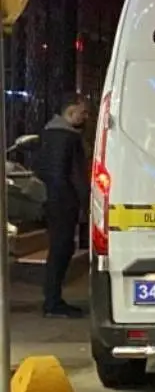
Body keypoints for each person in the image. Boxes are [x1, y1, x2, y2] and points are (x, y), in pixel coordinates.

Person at [33, 93, 90, 319]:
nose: (85, 117)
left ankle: (53, 299)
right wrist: (85, 202)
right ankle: (53, 302)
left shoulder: (49, 133)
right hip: (63, 202)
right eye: (83, 112)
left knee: (60, 248)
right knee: (61, 249)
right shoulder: (68, 137)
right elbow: (74, 175)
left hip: (53, 200)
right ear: (70, 111)